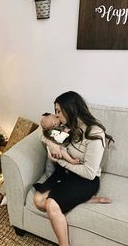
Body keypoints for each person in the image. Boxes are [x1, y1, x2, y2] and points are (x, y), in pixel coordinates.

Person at [33, 91, 114, 246]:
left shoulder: (95, 133)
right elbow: (41, 130)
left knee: (50, 204)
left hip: (85, 180)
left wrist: (62, 162)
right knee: (38, 200)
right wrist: (51, 144)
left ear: (69, 109)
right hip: (66, 173)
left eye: (58, 111)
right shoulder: (67, 126)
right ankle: (85, 200)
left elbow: (89, 173)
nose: (56, 116)